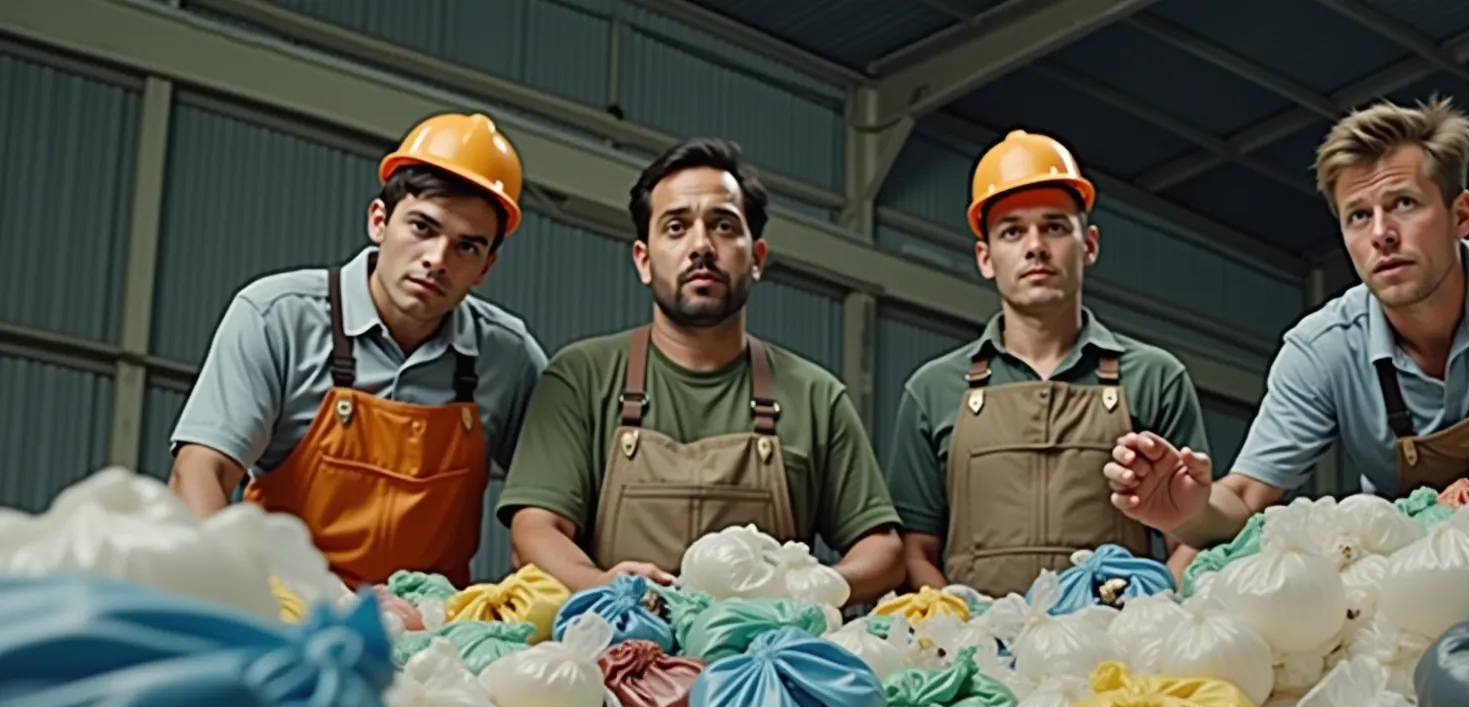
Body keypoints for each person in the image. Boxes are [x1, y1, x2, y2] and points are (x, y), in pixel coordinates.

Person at [1105, 97, 1469, 549]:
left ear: (1461, 214)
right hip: (1419, 592)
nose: (1381, 232)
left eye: (1404, 204)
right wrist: (1186, 512)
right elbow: (1243, 497)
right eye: (1358, 215)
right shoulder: (1322, 351)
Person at [497, 137, 905, 601]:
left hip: (767, 663)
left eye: (724, 226)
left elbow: (883, 548)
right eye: (675, 227)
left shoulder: (815, 396)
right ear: (644, 260)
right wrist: (603, 587)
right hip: (613, 660)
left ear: (757, 259)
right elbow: (534, 530)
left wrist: (805, 591)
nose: (701, 246)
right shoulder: (581, 378)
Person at [167, 113, 548, 589]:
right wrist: (226, 593)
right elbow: (200, 469)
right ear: (379, 221)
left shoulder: (508, 359)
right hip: (282, 614)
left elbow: (556, 503)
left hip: (427, 635)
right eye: (422, 228)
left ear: (487, 266)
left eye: (466, 247)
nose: (437, 259)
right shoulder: (277, 317)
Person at [885, 130, 1210, 597]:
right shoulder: (933, 389)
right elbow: (915, 550)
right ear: (985, 257)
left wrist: (1147, 616)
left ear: (1090, 244)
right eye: (1012, 231)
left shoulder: (1155, 377)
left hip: (1115, 656)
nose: (1035, 246)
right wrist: (961, 631)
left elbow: (1189, 539)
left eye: (1055, 226)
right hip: (977, 657)